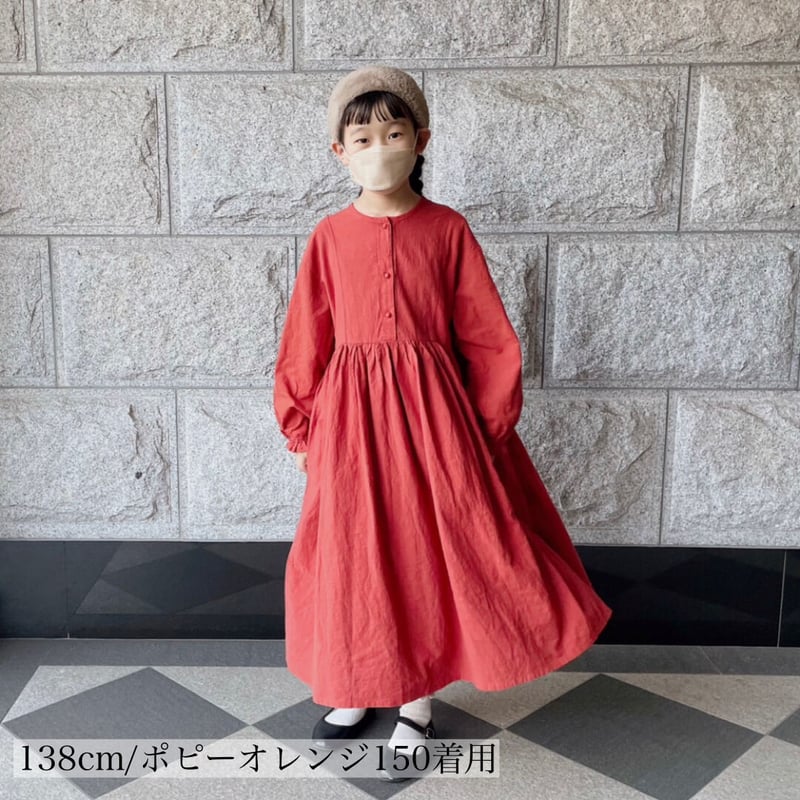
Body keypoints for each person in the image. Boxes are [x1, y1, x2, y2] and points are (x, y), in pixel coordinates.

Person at [273, 65, 613, 781]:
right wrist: (300, 426)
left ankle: (416, 702)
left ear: (420, 140)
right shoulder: (329, 237)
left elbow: (486, 334)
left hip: (436, 424)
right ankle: (356, 682)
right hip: (353, 426)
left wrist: (488, 425)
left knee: (425, 552)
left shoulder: (448, 229)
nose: (379, 148)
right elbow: (307, 336)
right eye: (362, 137)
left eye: (393, 133)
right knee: (353, 551)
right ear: (339, 151)